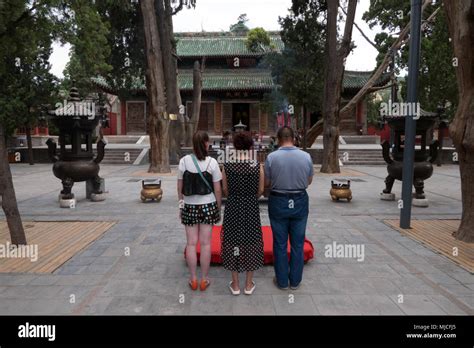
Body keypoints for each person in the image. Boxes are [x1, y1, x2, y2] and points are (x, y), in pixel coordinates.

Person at [264, 126, 313, 290]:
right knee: (298, 243)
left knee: (280, 243)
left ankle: (282, 281)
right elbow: (309, 181)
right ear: (294, 138)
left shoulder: (271, 157)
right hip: (299, 200)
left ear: (278, 139)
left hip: (278, 200)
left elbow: (267, 183)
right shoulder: (306, 156)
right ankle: (295, 281)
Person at [177, 131, 222, 291]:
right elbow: (217, 190)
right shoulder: (212, 163)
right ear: (205, 143)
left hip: (189, 206)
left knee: (190, 243)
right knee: (205, 244)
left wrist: (181, 207)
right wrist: (217, 207)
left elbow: (180, 188)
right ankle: (204, 279)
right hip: (208, 205)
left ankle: (193, 279)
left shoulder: (183, 162)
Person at [221, 132, 264, 296]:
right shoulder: (257, 165)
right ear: (250, 146)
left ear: (235, 146)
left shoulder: (227, 166)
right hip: (251, 206)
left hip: (233, 205)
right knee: (251, 240)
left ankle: (236, 285)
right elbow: (260, 190)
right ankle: (248, 284)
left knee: (232, 240)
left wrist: (234, 197)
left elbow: (225, 190)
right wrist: (251, 198)